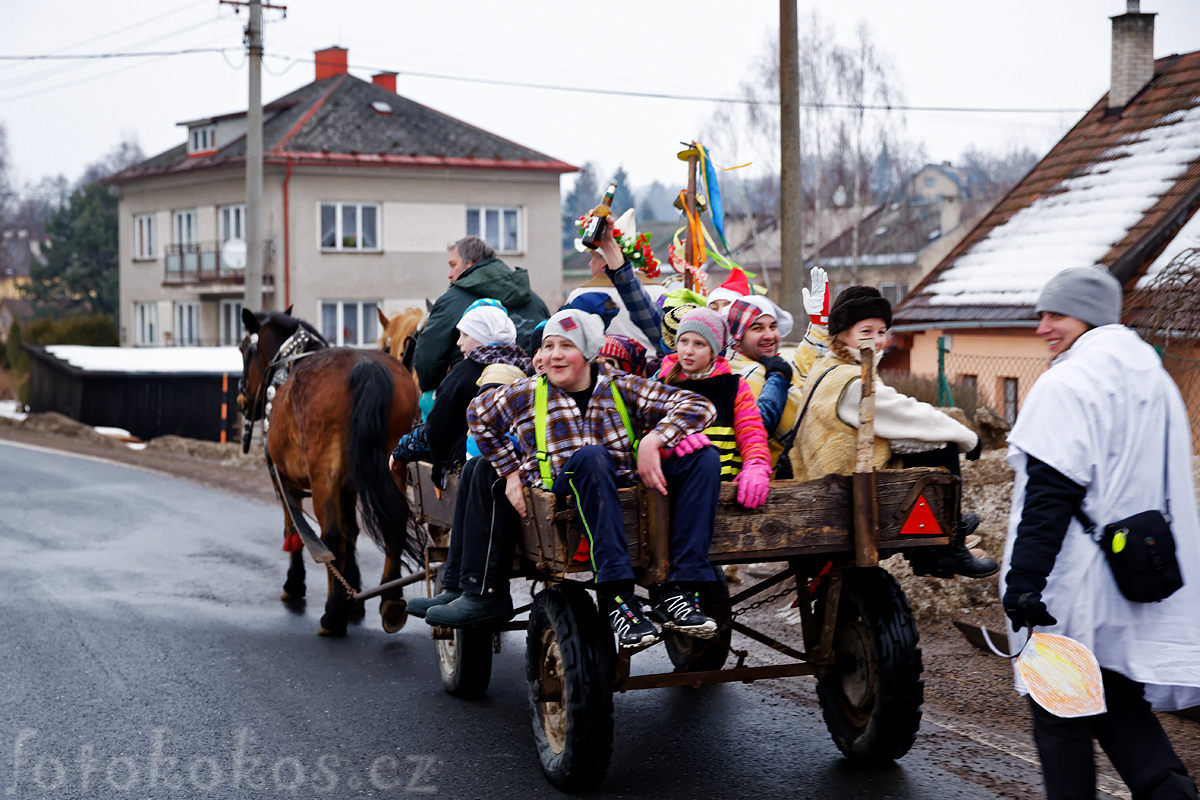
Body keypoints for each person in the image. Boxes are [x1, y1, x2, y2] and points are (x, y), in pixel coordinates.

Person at [1000, 265, 1200, 800]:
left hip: (1069, 592)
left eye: (1056, 315)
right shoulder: (1152, 379)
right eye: (1041, 314)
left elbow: (1050, 497)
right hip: (1129, 581)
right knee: (1121, 712)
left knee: (1062, 723)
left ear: (1088, 316)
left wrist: (1023, 584)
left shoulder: (1070, 382)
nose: (1043, 327)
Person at [427, 309, 723, 650]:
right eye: (548, 345)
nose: (553, 354)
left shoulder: (620, 387)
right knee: (591, 456)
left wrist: (656, 439)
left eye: (565, 345)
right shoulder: (525, 394)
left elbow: (699, 405)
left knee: (704, 458)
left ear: (587, 352)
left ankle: (679, 589)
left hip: (617, 490)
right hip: (564, 492)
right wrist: (509, 472)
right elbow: (477, 416)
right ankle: (618, 600)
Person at [794, 285, 996, 578]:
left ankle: (946, 526)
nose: (877, 341)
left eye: (881, 332)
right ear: (842, 335)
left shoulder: (830, 366)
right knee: (942, 446)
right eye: (866, 332)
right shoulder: (851, 382)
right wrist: (967, 436)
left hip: (831, 474)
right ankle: (945, 549)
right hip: (843, 485)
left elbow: (890, 418)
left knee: (924, 445)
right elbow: (905, 413)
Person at [389, 299, 531, 472]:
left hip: (467, 465)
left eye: (465, 335)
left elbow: (437, 428)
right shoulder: (524, 366)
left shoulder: (464, 371)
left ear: (482, 335)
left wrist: (406, 449)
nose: (458, 342)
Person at [656, 307, 771, 507]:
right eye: (683, 341)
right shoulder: (663, 387)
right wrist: (668, 447)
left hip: (727, 492)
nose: (688, 350)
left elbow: (751, 431)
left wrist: (756, 464)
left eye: (699, 344)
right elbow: (647, 435)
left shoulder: (734, 386)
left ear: (714, 350)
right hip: (676, 491)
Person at [412, 235, 550, 393]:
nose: (450, 274)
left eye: (453, 265)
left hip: (466, 399)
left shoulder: (451, 301)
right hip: (532, 399)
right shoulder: (535, 301)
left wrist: (434, 391)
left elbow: (428, 358)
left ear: (471, 263)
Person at [567, 209, 666, 353]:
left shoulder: (579, 295)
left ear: (604, 264)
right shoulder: (660, 291)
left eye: (593, 258)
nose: (589, 264)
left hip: (604, 370)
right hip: (651, 370)